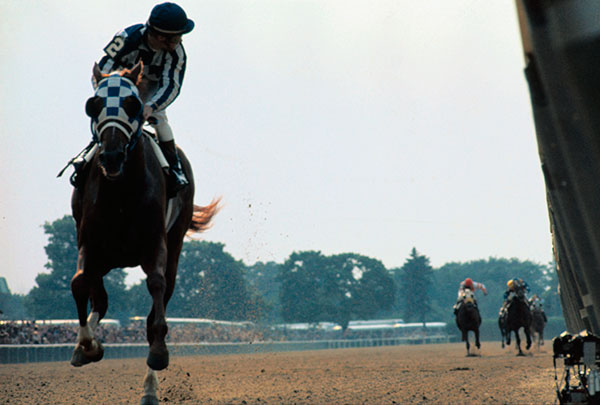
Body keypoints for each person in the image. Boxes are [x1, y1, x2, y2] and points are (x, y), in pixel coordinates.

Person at [69, 2, 194, 193]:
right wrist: (109, 96)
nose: (180, 41)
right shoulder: (125, 37)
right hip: (116, 85)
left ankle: (174, 168)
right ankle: (86, 158)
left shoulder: (177, 54)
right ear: (162, 37)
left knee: (160, 121)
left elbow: (172, 86)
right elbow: (103, 66)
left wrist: (151, 107)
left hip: (151, 90)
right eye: (177, 37)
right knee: (108, 119)